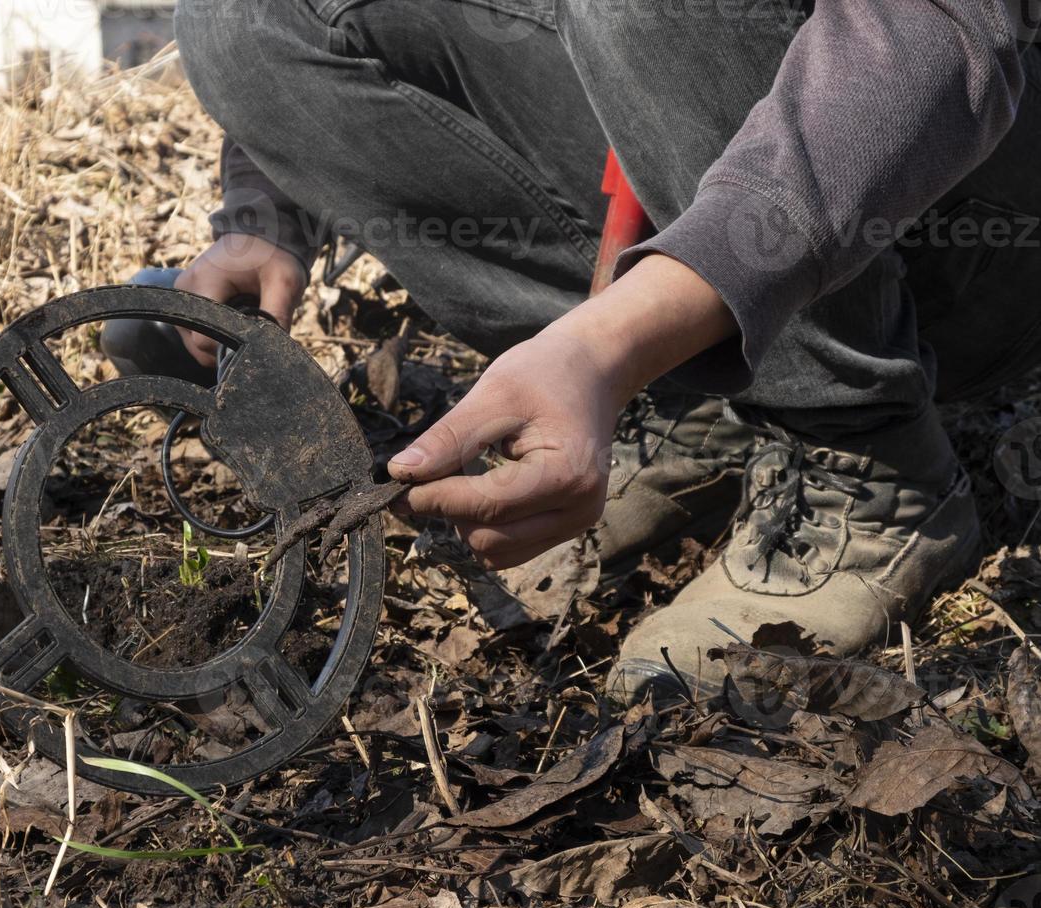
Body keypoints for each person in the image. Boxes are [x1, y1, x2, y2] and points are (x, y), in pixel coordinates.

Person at [102, 0, 1041, 701]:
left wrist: (607, 340)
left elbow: (943, 30)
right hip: (719, 106)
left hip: (962, 186)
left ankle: (862, 455)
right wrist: (266, 207)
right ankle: (686, 394)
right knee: (247, 16)